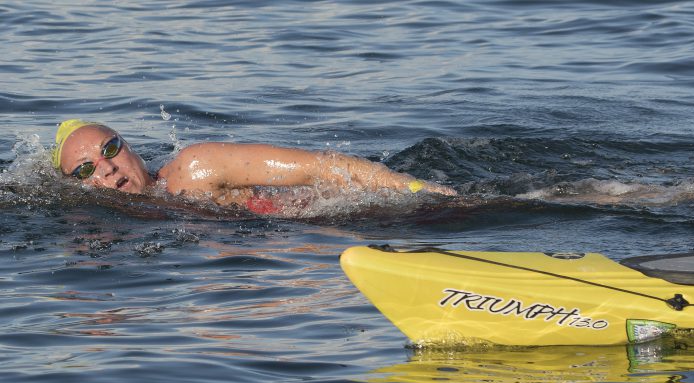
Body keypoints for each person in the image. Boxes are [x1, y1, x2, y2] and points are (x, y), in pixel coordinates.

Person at [51, 119, 456, 214]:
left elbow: (320, 168)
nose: (105, 169)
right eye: (84, 171)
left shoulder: (196, 168)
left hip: (360, 216)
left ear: (131, 147)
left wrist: (414, 191)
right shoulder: (102, 226)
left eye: (109, 149)